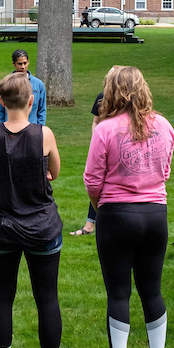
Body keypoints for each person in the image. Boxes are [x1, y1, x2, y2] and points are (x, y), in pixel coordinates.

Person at [84, 66, 174, 348]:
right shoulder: (163, 125)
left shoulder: (105, 129)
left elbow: (92, 180)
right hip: (155, 214)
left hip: (117, 215)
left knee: (119, 293)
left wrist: (102, 207)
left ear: (113, 91)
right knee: (152, 289)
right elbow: (165, 171)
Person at [0, 72, 63, 348]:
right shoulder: (45, 134)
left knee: (2, 295)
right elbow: (54, 170)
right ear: (32, 101)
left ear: (1, 101)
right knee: (47, 296)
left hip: (1, 226)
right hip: (41, 226)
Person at [71, 72, 119, 237]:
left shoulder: (126, 101)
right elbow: (96, 122)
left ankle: (106, 223)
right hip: (103, 146)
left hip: (118, 148)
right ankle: (90, 225)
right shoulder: (101, 98)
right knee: (96, 183)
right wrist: (96, 141)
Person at [0, 49, 46, 125]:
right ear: (13, 63)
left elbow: (42, 110)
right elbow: (0, 110)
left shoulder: (38, 84)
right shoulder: (6, 84)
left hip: (32, 130)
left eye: (25, 63)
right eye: (20, 64)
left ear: (28, 62)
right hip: (10, 129)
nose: (23, 67)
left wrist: (40, 129)